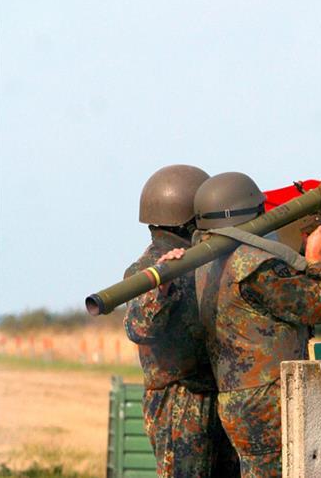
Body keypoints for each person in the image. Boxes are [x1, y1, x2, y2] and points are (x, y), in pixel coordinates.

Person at [193, 171, 321, 477]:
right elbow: (316, 306)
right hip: (268, 403)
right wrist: (316, 260)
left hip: (239, 399)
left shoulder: (207, 263)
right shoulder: (255, 265)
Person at [124, 164, 239, 477]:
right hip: (181, 400)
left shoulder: (201, 258)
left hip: (212, 392)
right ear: (190, 218)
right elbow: (139, 327)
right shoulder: (148, 267)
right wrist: (163, 286)